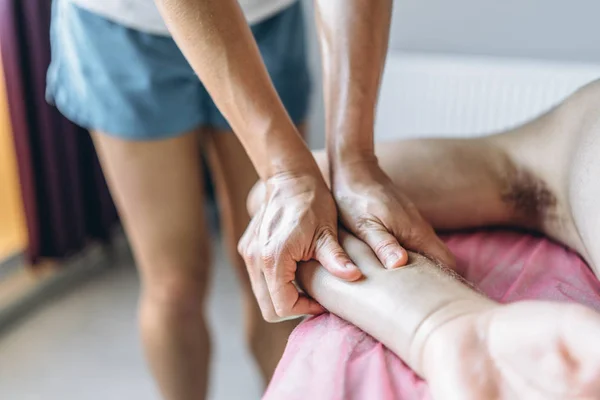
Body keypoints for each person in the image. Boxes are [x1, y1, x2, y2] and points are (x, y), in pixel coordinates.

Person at [47, 0, 452, 398]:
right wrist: (288, 172)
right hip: (123, 29)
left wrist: (355, 162)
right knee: (174, 283)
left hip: (266, 18)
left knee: (279, 266)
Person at [248, 79, 600, 398]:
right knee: (278, 209)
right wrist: (447, 323)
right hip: (558, 144)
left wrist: (449, 326)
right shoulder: (531, 161)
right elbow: (280, 208)